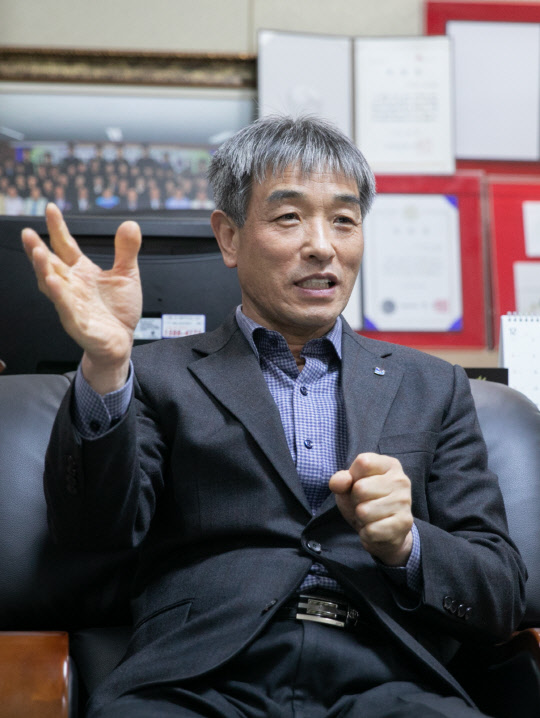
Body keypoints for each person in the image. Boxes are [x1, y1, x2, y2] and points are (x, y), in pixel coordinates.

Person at [21, 116, 526, 718]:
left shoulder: (432, 385)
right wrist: (107, 365)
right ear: (229, 238)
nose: (323, 245)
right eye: (289, 217)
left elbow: (499, 594)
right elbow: (90, 532)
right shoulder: (158, 376)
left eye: (344, 220)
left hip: (386, 678)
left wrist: (408, 544)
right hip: (198, 676)